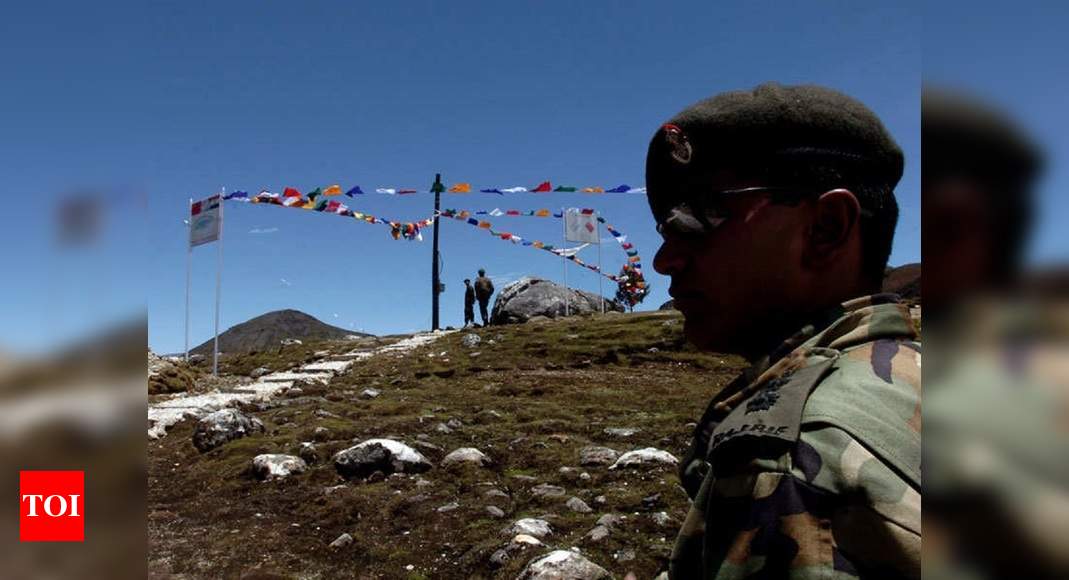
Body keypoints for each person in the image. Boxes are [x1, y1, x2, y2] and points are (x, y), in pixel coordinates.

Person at [647, 83, 921, 579]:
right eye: (667, 230)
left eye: (701, 217)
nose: (664, 259)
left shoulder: (786, 458)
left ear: (826, 227)